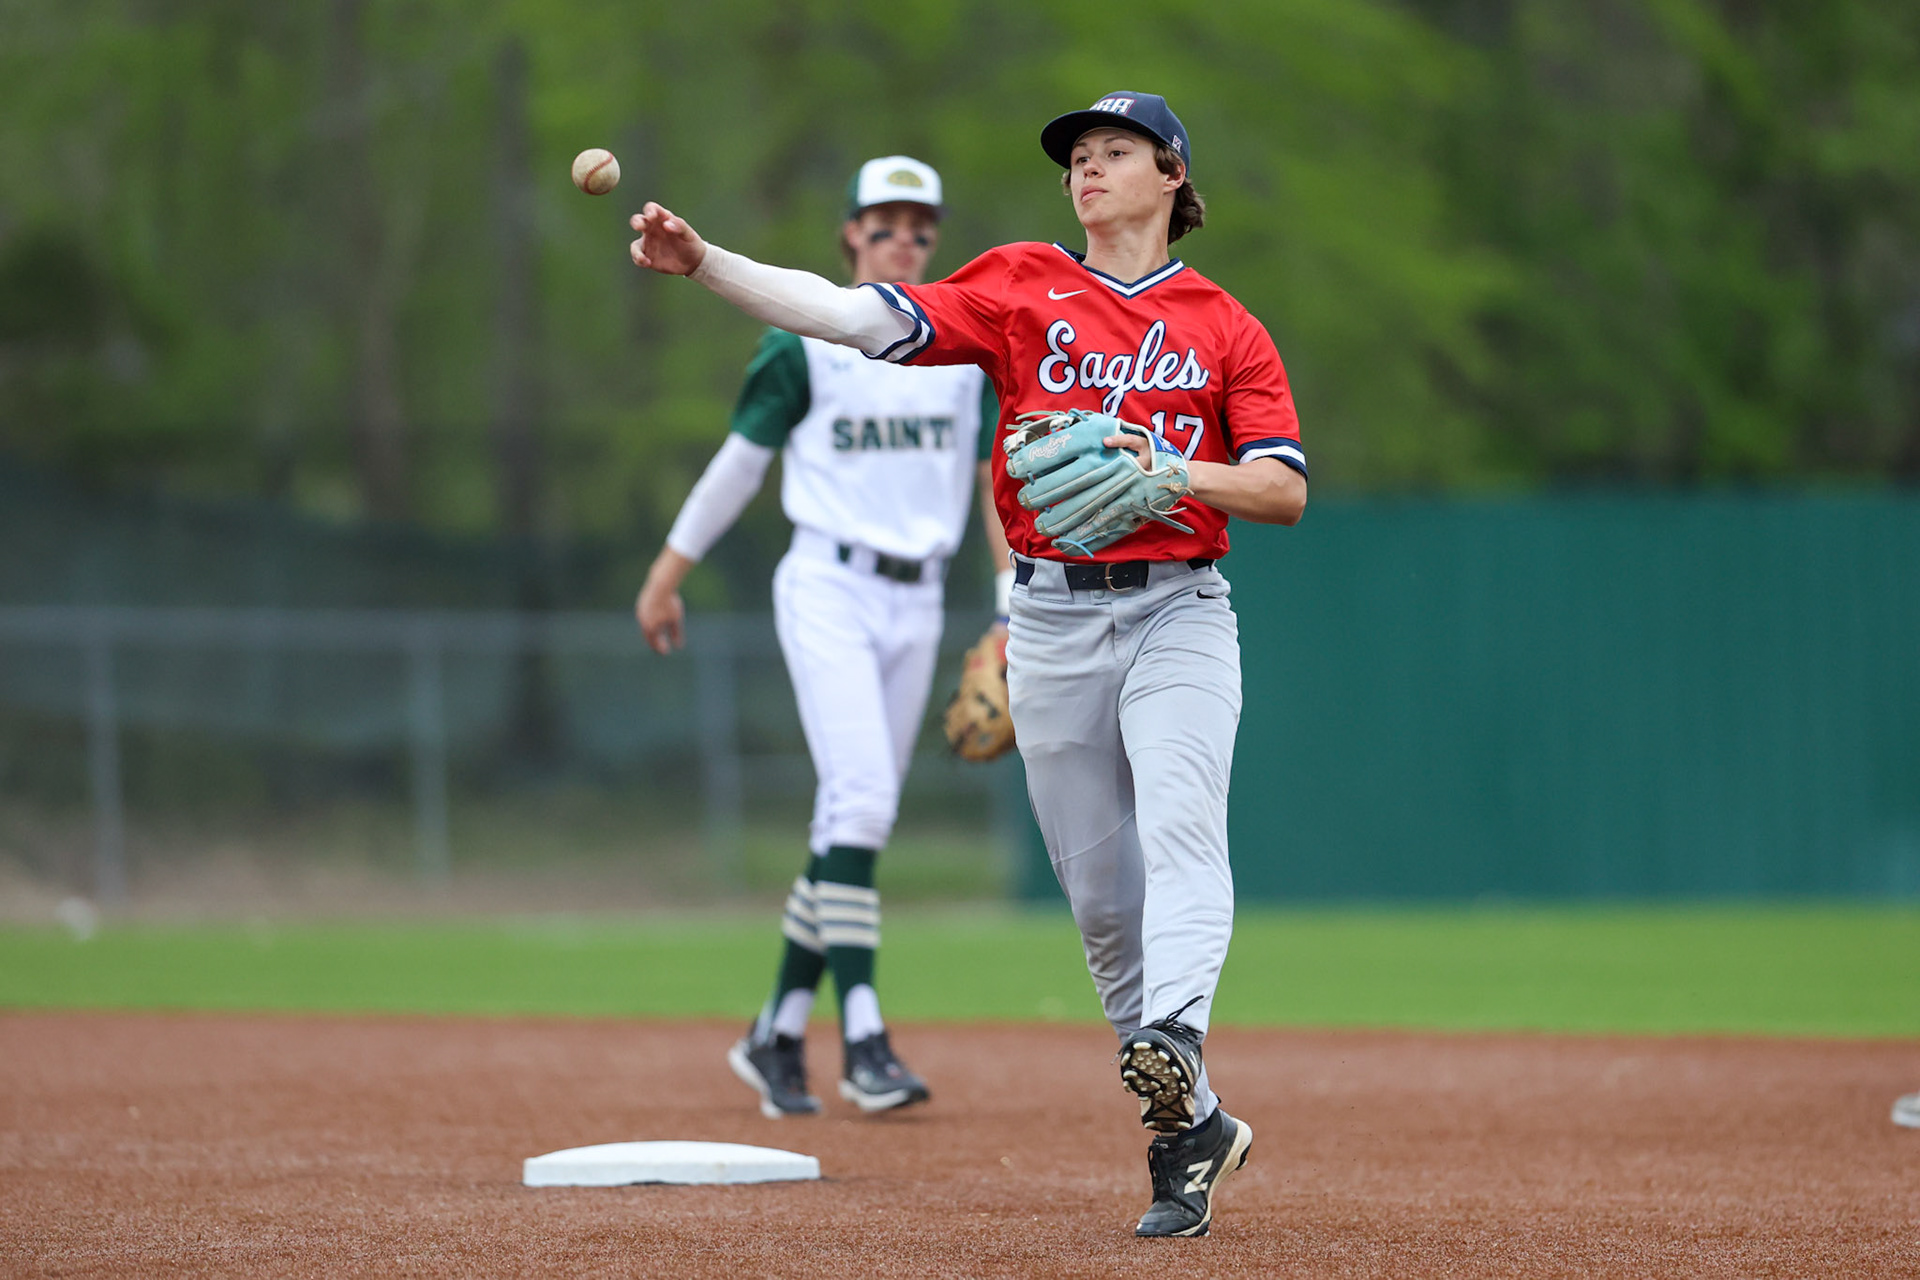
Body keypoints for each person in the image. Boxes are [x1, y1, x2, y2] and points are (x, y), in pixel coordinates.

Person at [628, 92, 1306, 1238]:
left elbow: (1283, 486)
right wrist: (706, 264)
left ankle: (1176, 1037)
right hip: (1047, 621)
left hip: (1178, 607)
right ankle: (1189, 1129)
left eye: (1114, 153)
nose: (1087, 169)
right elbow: (848, 316)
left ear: (1172, 178)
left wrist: (1171, 472)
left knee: (1184, 823)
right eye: (1077, 156)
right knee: (1099, 900)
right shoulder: (1018, 286)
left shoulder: (1223, 324)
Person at [635, 156, 1010, 1120]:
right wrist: (668, 571)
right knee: (862, 800)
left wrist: (1011, 601)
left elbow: (988, 485)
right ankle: (869, 1040)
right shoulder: (805, 343)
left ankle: (776, 1030)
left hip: (917, 599)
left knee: (855, 819)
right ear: (849, 235)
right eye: (882, 221)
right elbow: (738, 467)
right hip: (829, 587)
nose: (902, 236)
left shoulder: (963, 354)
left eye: (917, 224)